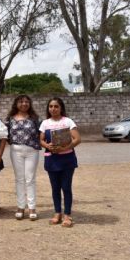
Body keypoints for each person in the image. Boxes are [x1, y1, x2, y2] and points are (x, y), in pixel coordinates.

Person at [39, 97, 81, 228]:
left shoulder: (68, 121)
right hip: (52, 159)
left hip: (67, 159)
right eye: (51, 106)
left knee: (66, 187)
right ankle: (57, 213)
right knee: (55, 188)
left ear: (61, 108)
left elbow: (77, 139)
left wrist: (65, 148)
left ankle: (67, 214)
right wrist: (48, 145)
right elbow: (40, 140)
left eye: (56, 106)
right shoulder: (45, 123)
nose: (53, 109)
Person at [5, 95, 41, 221]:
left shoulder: (35, 119)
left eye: (26, 102)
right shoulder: (10, 119)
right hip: (16, 151)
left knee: (30, 179)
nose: (24, 104)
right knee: (19, 179)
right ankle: (20, 207)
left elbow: (41, 134)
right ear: (16, 104)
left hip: (32, 151)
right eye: (21, 101)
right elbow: (5, 135)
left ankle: (32, 208)